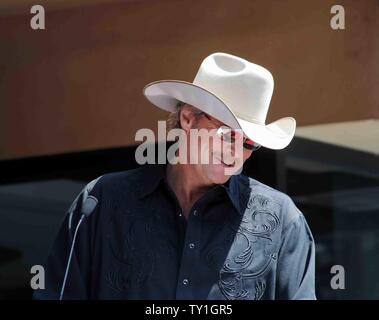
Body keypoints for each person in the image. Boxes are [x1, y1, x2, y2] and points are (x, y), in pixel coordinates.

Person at [34, 52, 316, 300]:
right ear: (188, 118)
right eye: (227, 134)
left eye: (249, 143)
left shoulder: (283, 221)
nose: (236, 151)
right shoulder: (103, 200)